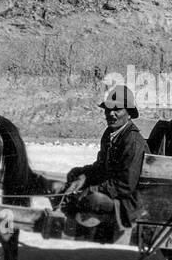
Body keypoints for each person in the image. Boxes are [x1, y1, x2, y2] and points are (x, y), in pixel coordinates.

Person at [62, 85, 149, 229]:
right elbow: (101, 166)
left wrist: (93, 189)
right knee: (74, 174)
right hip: (112, 188)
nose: (111, 114)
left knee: (92, 199)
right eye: (108, 109)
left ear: (129, 113)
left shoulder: (133, 142)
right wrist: (83, 177)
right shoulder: (110, 133)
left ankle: (93, 219)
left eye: (117, 109)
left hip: (127, 200)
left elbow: (126, 184)